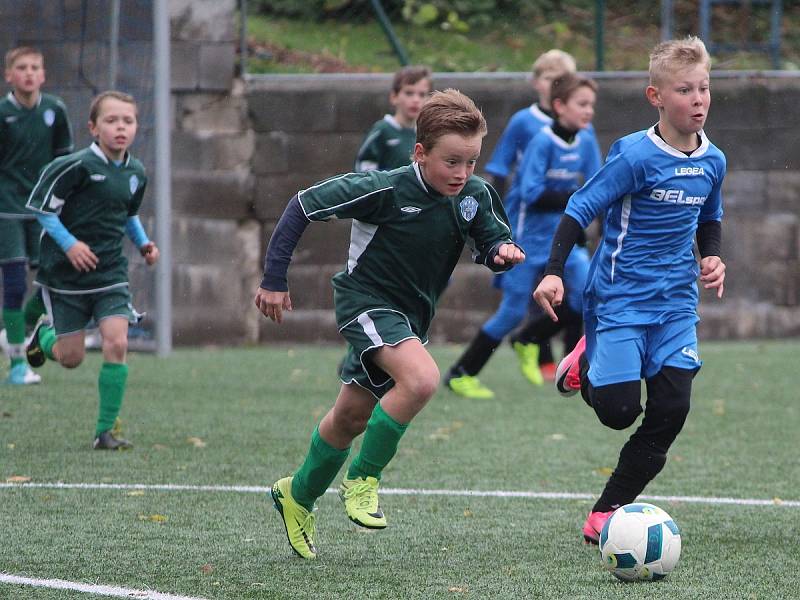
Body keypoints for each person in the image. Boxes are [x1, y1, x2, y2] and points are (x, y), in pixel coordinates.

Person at [255, 89, 525, 560]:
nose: (462, 174)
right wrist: (274, 277)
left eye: (472, 162)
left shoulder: (475, 195)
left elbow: (491, 243)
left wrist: (503, 255)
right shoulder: (383, 188)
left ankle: (296, 495)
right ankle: (362, 479)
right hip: (366, 303)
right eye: (451, 162)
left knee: (350, 418)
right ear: (419, 153)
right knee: (421, 379)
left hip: (411, 318)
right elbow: (303, 204)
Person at [533, 37, 726, 544]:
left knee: (672, 408)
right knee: (619, 413)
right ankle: (586, 364)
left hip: (677, 306)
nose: (699, 99)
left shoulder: (713, 161)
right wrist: (554, 271)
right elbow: (579, 208)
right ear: (656, 97)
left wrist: (711, 256)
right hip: (619, 300)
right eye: (685, 90)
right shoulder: (635, 156)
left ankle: (608, 509)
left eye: (704, 88)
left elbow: (710, 217)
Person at [446, 73, 601, 399]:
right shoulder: (542, 142)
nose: (589, 111)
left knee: (590, 294)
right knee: (512, 311)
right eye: (582, 104)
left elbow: (597, 186)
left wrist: (592, 222)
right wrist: (575, 197)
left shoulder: (586, 140)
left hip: (564, 241)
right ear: (560, 106)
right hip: (526, 240)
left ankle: (549, 352)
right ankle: (461, 374)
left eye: (592, 105)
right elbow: (530, 193)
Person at [24, 91, 159, 450]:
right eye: (112, 121)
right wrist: (70, 244)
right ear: (93, 127)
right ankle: (43, 337)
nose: (120, 128)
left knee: (117, 342)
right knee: (71, 358)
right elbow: (43, 210)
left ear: (135, 127)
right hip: (65, 276)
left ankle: (105, 432)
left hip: (109, 273)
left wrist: (144, 243)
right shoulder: (75, 166)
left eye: (127, 121)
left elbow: (128, 213)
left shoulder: (135, 172)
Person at [483, 49, 594, 385]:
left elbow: (595, 183)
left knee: (583, 294)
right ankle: (474, 368)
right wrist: (494, 223)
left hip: (562, 231)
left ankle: (570, 366)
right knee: (521, 305)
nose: (554, 85)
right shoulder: (528, 126)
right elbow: (506, 174)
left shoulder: (582, 132)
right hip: (527, 231)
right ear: (538, 84)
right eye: (550, 79)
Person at [0, 46, 73, 385]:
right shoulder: (2, 113)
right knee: (14, 284)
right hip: (8, 211)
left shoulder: (55, 110)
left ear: (43, 75)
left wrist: (67, 204)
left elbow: (65, 163)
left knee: (51, 280)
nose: (29, 73)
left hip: (44, 211)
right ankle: (17, 366)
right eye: (22, 67)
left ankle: (20, 332)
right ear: (9, 75)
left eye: (35, 67)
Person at [354, 65, 431, 173]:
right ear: (394, 97)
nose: (416, 100)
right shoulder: (382, 130)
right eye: (409, 93)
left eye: (422, 95)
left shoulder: (427, 134)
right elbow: (363, 167)